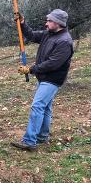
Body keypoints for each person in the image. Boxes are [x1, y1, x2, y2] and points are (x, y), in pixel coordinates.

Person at [11, 9, 74, 151]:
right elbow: (32, 35)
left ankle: (29, 141)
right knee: (45, 107)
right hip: (44, 77)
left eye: (49, 21)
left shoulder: (65, 41)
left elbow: (53, 63)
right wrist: (22, 22)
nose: (46, 24)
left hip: (52, 79)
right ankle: (42, 137)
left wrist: (31, 69)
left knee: (38, 106)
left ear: (58, 23)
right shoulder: (49, 34)